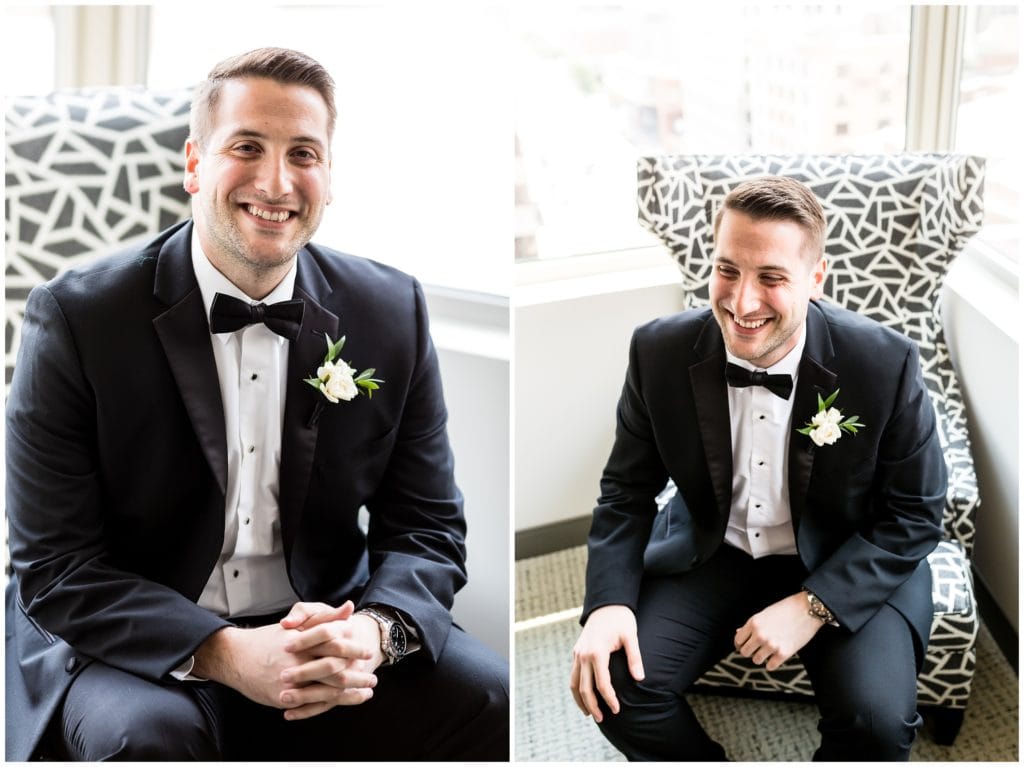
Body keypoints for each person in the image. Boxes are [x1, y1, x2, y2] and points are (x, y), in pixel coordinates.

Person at [6, 47, 508, 762]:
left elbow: (427, 525)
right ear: (194, 164)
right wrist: (226, 653)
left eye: (303, 153)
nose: (277, 182)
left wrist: (370, 633)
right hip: (136, 646)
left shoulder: (393, 310)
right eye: (248, 146)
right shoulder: (76, 318)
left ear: (329, 178)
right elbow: (56, 565)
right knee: (144, 743)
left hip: (321, 624)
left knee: (494, 699)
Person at [569, 176, 945, 761]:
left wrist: (813, 604)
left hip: (846, 558)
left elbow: (916, 514)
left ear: (816, 279)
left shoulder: (884, 362)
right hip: (713, 551)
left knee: (876, 724)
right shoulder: (657, 351)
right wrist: (607, 603)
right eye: (727, 270)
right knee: (611, 686)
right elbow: (626, 490)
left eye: (771, 277)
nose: (742, 303)